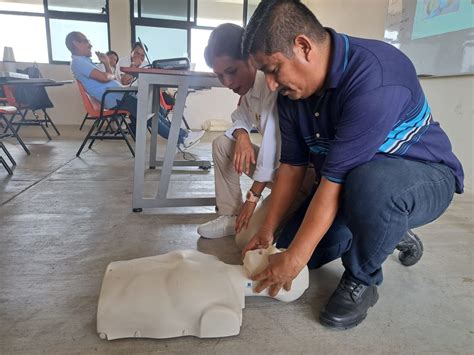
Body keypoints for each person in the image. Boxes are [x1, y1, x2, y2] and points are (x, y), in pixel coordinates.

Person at [241, 0, 464, 330]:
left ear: (303, 46)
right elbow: (291, 167)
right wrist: (269, 233)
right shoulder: (292, 95)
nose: (270, 84)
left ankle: (363, 278)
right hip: (351, 183)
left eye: (273, 70)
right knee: (299, 252)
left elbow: (335, 181)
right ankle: (388, 231)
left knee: (368, 188)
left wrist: (294, 260)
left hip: (422, 176)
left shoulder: (376, 75)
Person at [197, 23, 315, 242]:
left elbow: (271, 150)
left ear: (251, 59)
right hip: (278, 171)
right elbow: (239, 117)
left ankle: (297, 209)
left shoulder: (271, 84)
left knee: (245, 240)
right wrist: (242, 135)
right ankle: (230, 214)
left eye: (231, 71)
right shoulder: (249, 90)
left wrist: (252, 198)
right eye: (220, 76)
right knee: (223, 144)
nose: (228, 83)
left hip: (298, 175)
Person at [65, 32, 204, 149]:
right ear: (75, 43)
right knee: (150, 116)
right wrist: (111, 75)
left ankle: (183, 136)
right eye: (85, 41)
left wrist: (107, 63)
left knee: (157, 109)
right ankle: (181, 140)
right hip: (115, 97)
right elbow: (104, 77)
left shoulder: (84, 61)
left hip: (118, 95)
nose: (90, 45)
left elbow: (106, 76)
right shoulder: (78, 62)